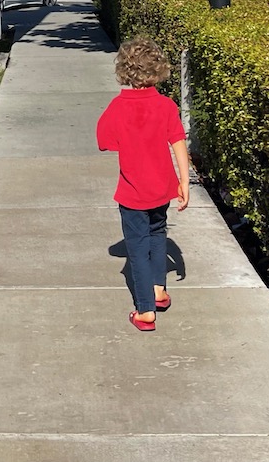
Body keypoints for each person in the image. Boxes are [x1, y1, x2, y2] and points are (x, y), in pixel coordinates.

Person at [96, 37, 190, 332]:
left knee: (136, 249)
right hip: (162, 187)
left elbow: (104, 141)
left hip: (133, 191)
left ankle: (145, 311)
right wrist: (184, 183)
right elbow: (177, 142)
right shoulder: (165, 106)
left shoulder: (118, 107)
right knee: (158, 234)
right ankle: (159, 290)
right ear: (158, 70)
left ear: (124, 71)